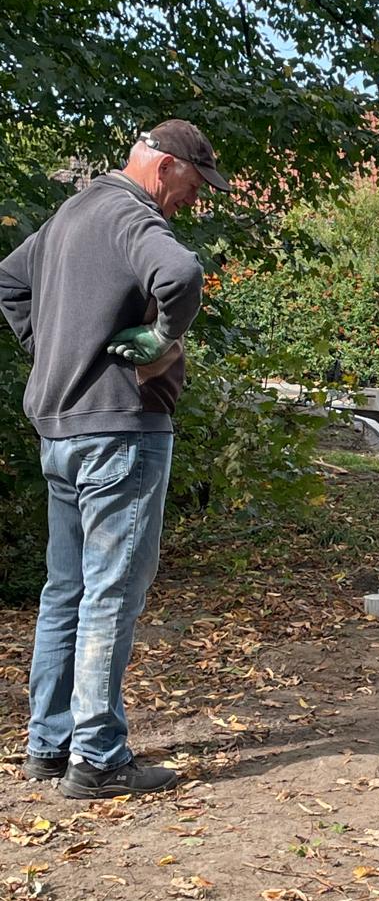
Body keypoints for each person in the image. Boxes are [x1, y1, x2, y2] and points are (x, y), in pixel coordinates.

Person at [0, 121, 230, 798]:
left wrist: (51, 351)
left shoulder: (72, 212)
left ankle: (49, 745)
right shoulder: (132, 215)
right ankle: (98, 758)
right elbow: (181, 273)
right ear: (164, 167)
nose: (193, 201)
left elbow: (9, 281)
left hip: (60, 431)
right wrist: (162, 338)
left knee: (64, 592)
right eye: (194, 185)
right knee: (110, 594)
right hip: (119, 432)